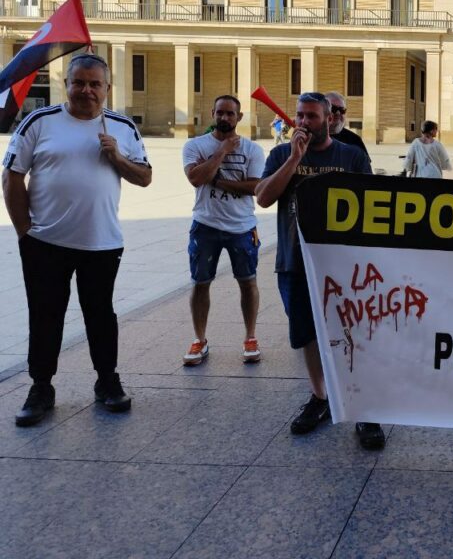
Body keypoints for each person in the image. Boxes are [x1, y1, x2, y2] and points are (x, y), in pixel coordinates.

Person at [3, 53, 152, 426]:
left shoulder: (121, 126)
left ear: (107, 88)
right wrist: (25, 233)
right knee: (45, 314)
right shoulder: (39, 121)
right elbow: (12, 177)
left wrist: (116, 156)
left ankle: (107, 382)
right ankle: (41, 387)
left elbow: (145, 176)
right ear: (66, 84)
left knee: (100, 314)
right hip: (46, 244)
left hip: (101, 243)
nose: (86, 90)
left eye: (94, 84)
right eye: (79, 83)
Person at [255, 92, 385, 448]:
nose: (304, 122)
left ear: (328, 119)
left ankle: (363, 407)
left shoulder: (351, 156)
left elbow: (373, 206)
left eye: (311, 116)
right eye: (299, 115)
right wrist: (294, 160)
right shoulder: (282, 154)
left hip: (345, 266)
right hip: (295, 262)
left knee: (354, 333)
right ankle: (321, 397)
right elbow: (263, 197)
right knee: (307, 334)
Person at [181, 95, 266, 366]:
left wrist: (217, 179)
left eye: (230, 113)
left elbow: (254, 186)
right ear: (212, 113)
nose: (225, 118)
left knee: (248, 281)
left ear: (239, 117)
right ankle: (199, 340)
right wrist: (222, 152)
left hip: (241, 227)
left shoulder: (253, 150)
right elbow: (196, 179)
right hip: (205, 225)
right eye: (220, 113)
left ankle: (250, 337)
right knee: (200, 283)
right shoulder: (195, 145)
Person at [325, 91, 369, 161]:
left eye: (342, 110)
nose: (338, 113)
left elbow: (365, 169)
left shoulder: (354, 140)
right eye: (333, 109)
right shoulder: (311, 138)